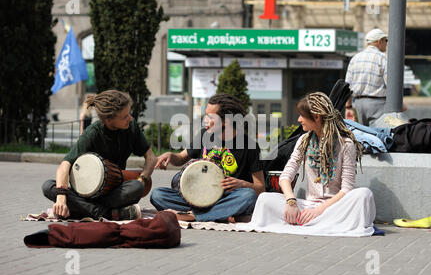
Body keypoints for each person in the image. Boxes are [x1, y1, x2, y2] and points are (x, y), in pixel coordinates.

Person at [237, 92, 376, 237]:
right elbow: (285, 177)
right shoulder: (304, 141)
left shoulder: (345, 145)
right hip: (307, 206)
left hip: (335, 207)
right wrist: (291, 202)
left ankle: (313, 222)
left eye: (302, 116)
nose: (299, 119)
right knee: (265, 199)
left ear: (316, 117)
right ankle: (319, 223)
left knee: (364, 195)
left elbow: (346, 189)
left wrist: (318, 211)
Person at [42, 90, 157, 220]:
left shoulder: (131, 127)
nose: (130, 118)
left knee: (136, 187)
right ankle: (107, 213)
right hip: (88, 193)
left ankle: (82, 210)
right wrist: (61, 197)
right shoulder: (92, 134)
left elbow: (151, 157)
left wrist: (143, 178)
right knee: (48, 186)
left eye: (129, 114)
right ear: (108, 120)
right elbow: (65, 165)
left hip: (114, 192)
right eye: (125, 116)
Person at [150, 93, 265, 222]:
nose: (204, 119)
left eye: (210, 117)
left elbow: (260, 188)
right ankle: (220, 214)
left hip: (227, 197)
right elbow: (181, 157)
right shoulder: (204, 135)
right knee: (157, 195)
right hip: (198, 196)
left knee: (248, 196)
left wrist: (243, 184)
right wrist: (171, 156)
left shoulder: (250, 146)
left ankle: (194, 216)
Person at [345, 28, 388, 126]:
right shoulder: (383, 58)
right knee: (378, 136)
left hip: (358, 104)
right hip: (377, 104)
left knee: (363, 136)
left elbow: (347, 86)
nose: (386, 43)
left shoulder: (355, 58)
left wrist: (348, 107)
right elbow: (390, 83)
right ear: (379, 41)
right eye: (386, 40)